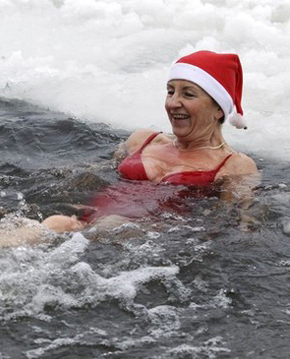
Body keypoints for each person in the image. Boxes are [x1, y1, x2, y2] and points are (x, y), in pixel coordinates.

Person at [40, 50, 260, 233]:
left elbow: (230, 224)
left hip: (146, 238)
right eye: (170, 92)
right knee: (49, 225)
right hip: (86, 222)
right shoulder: (143, 140)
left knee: (113, 225)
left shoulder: (235, 165)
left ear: (218, 110)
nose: (173, 103)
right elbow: (100, 173)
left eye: (188, 95)